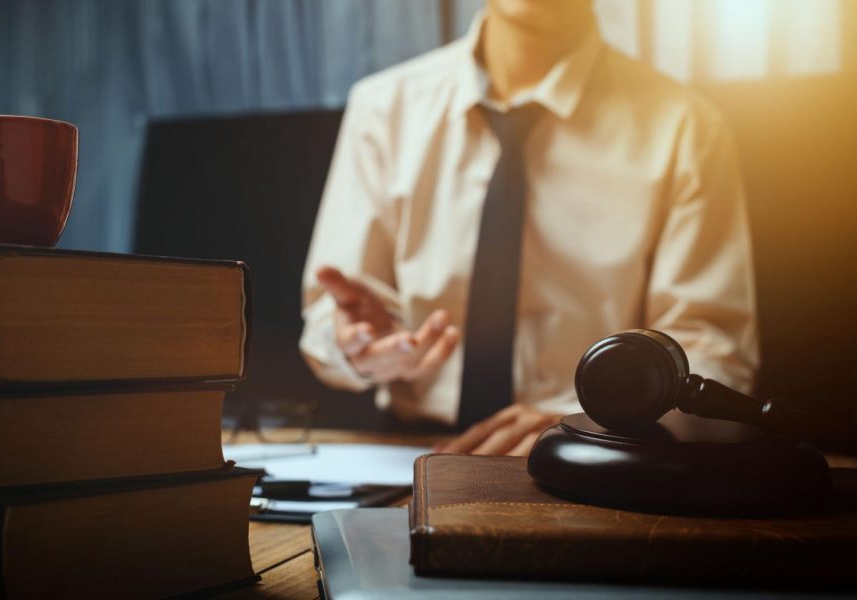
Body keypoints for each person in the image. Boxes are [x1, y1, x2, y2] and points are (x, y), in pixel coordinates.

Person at [299, 0, 758, 456]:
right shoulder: (382, 109)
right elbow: (328, 319)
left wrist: (588, 422)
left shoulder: (685, 128)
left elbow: (713, 354)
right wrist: (360, 347)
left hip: (599, 453)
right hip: (413, 451)